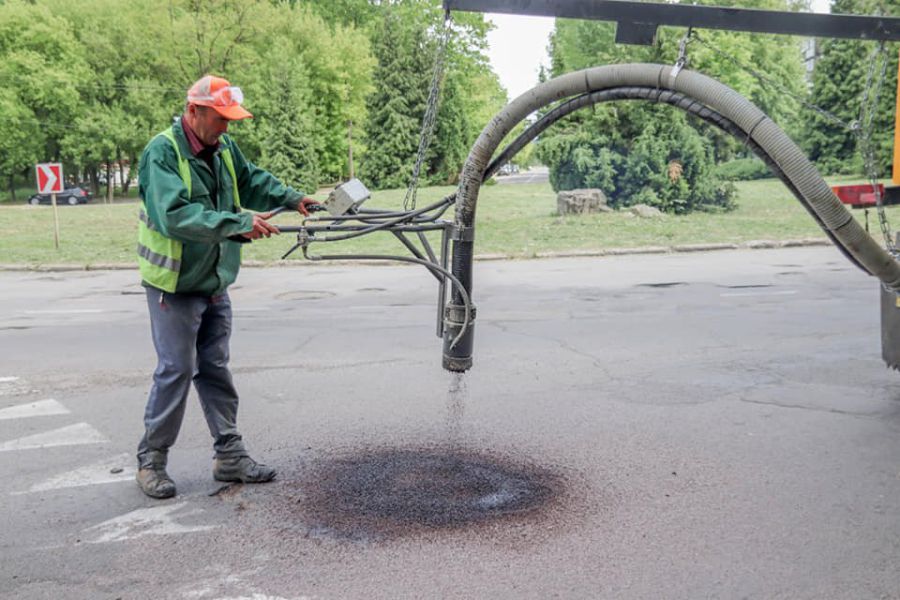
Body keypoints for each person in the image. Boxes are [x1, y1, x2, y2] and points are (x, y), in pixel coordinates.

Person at [135, 75, 319, 499]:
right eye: (220, 118)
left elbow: (250, 178)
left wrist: (293, 198)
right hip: (175, 285)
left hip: (215, 280)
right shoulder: (161, 152)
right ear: (194, 111)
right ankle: (151, 461)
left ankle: (230, 456)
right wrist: (238, 223)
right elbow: (174, 216)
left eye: (230, 119)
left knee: (215, 368)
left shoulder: (222, 148)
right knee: (176, 371)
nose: (226, 127)